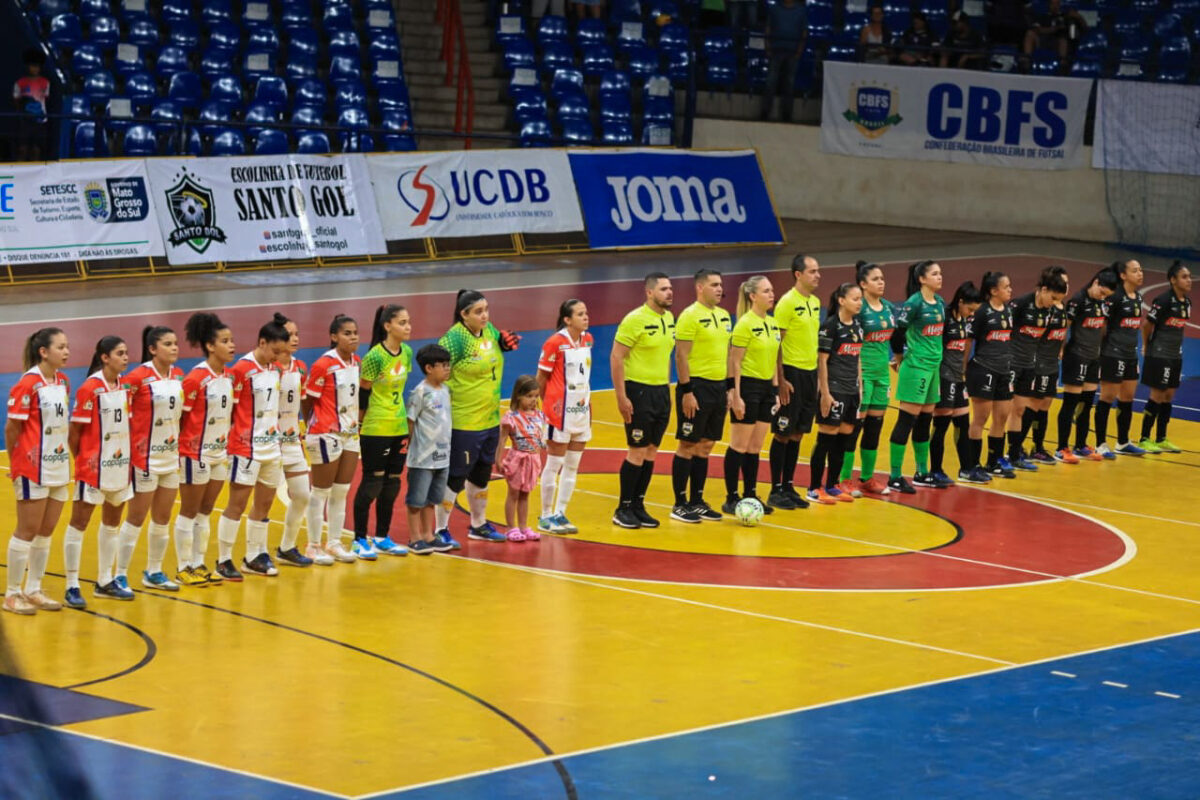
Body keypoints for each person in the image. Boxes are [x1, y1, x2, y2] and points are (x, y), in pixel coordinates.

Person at [438, 289, 520, 543]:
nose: (485, 316)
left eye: (486, 310)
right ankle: (440, 529)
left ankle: (478, 524)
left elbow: (495, 348)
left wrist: (504, 344)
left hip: (489, 418)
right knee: (456, 475)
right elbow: (437, 371)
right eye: (478, 312)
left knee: (482, 473)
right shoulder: (454, 339)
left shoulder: (489, 330)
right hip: (464, 420)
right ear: (464, 315)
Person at [5, 328, 70, 615]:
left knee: (46, 531)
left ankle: (33, 588)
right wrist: (17, 462)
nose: (66, 351)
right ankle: (11, 594)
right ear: (43, 351)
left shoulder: (63, 382)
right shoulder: (28, 384)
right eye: (61, 347)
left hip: (59, 465)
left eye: (67, 346)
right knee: (27, 531)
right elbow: (12, 428)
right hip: (34, 467)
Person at [219, 318, 289, 580]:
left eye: (284, 352)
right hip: (246, 448)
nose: (281, 357)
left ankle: (253, 556)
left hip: (271, 446)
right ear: (262, 343)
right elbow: (230, 410)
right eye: (276, 350)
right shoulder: (241, 370)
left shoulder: (276, 370)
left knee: (265, 503)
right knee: (236, 504)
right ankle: (224, 559)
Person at [66, 336, 132, 606]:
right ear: (105, 357)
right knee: (78, 524)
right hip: (93, 470)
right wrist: (83, 462)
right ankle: (71, 584)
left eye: (127, 352)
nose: (126, 357)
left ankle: (105, 580)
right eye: (120, 353)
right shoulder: (90, 389)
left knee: (111, 525)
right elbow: (74, 433)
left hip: (119, 467)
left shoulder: (125, 386)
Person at [122, 326, 185, 592]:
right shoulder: (137, 378)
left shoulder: (179, 375)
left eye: (176, 343)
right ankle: (119, 574)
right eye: (168, 344)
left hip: (170, 457)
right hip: (144, 459)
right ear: (152, 349)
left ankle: (154, 571)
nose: (174, 348)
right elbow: (120, 415)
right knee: (136, 518)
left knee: (163, 517)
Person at [611, 273, 675, 529]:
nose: (670, 292)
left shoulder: (670, 319)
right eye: (663, 289)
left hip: (661, 391)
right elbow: (616, 357)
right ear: (649, 292)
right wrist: (621, 396)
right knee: (636, 451)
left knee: (651, 451)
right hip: (638, 392)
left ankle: (638, 504)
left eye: (670, 288)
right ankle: (623, 507)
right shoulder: (634, 319)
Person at [176, 313, 236, 587]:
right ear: (210, 346)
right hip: (195, 454)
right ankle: (182, 566)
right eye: (225, 341)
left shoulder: (229, 378)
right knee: (189, 511)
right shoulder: (196, 378)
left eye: (232, 340)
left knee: (206, 510)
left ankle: (198, 562)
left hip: (219, 454)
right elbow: (181, 418)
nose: (232, 345)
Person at [352, 304, 413, 555]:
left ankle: (382, 536)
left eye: (409, 322)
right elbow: (363, 392)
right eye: (402, 322)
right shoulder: (374, 357)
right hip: (376, 428)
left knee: (392, 484)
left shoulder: (407, 352)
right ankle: (359, 539)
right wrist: (360, 423)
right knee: (372, 483)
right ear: (387, 326)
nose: (408, 327)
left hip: (398, 426)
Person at [304, 315, 365, 564]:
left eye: (355, 333)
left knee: (342, 491)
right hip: (325, 433)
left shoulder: (356, 362)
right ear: (333, 337)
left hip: (350, 433)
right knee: (320, 491)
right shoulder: (323, 364)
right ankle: (313, 545)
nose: (353, 337)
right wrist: (316, 425)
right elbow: (308, 399)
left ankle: (335, 543)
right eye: (347, 333)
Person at [671, 270, 731, 523]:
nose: (719, 289)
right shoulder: (689, 316)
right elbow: (680, 356)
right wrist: (687, 391)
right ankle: (680, 503)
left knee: (706, 446)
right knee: (688, 444)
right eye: (714, 285)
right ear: (699, 287)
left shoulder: (725, 316)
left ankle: (697, 499)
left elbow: (727, 353)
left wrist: (730, 388)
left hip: (718, 388)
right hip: (696, 386)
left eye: (721, 285)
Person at [724, 276, 781, 515]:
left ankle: (749, 493)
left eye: (771, 290)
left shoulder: (773, 323)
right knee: (739, 444)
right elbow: (733, 361)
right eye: (766, 291)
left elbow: (775, 360)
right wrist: (735, 395)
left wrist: (776, 391)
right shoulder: (745, 324)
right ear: (753, 296)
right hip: (747, 387)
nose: (771, 294)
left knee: (755, 446)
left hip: (766, 388)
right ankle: (731, 496)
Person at [888, 260, 947, 492]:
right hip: (917, 366)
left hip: (933, 367)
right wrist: (901, 360)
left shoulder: (940, 302)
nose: (940, 277)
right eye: (934, 273)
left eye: (940, 273)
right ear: (922, 279)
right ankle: (894, 476)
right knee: (907, 420)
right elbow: (897, 334)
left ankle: (922, 472)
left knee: (925, 420)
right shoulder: (914, 303)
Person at [768, 254, 821, 510]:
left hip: (809, 374)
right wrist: (780, 379)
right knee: (782, 432)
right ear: (798, 274)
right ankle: (775, 489)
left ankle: (788, 486)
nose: (817, 275)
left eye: (818, 271)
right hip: (791, 372)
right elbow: (776, 343)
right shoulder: (787, 303)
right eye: (812, 271)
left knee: (798, 432)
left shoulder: (815, 302)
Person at [537, 298, 593, 534]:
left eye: (586, 313)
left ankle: (560, 513)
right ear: (567, 319)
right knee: (555, 463)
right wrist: (542, 409)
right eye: (580, 314)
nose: (586, 317)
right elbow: (540, 379)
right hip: (559, 412)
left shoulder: (588, 339)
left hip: (581, 409)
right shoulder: (554, 343)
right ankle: (545, 515)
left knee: (573, 465)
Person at [839, 261, 895, 496]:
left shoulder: (888, 307)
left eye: (882, 278)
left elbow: (896, 336)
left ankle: (867, 478)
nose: (881, 282)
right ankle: (843, 479)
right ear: (862, 284)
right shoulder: (858, 310)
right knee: (854, 427)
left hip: (882, 375)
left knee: (874, 427)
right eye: (875, 279)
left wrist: (897, 358)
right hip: (862, 375)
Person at [1005, 267, 1068, 470]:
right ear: (1043, 289)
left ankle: (1015, 454)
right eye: (1054, 297)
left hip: (1029, 365)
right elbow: (1002, 327)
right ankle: (999, 456)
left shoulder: (1049, 311)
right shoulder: (1021, 304)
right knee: (1002, 412)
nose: (1056, 302)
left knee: (1020, 410)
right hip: (1012, 363)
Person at [1055, 267, 1118, 462]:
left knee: (1087, 402)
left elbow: (1101, 327)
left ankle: (1081, 444)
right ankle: (1062, 448)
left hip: (1093, 358)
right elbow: (1065, 325)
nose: (1103, 297)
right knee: (1070, 403)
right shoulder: (1078, 300)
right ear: (1096, 282)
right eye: (1102, 292)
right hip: (1076, 356)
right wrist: (1061, 348)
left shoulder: (1102, 303)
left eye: (1106, 296)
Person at [809, 283, 864, 504]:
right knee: (826, 439)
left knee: (843, 440)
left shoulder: (858, 327)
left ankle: (832, 485)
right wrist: (825, 393)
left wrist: (860, 387)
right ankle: (814, 487)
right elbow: (821, 361)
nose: (859, 303)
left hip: (851, 391)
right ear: (841, 301)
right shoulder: (830, 326)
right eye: (855, 299)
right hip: (835, 390)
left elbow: (857, 357)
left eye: (860, 299)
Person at [274, 313, 319, 566]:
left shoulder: (300, 367)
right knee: (262, 501)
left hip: (292, 442)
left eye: (297, 334)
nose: (294, 339)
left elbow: (304, 403)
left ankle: (286, 547)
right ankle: (253, 553)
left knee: (302, 495)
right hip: (266, 443)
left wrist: (309, 428)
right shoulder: (265, 368)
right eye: (288, 335)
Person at [962, 271, 1015, 483]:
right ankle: (972, 465)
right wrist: (963, 368)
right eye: (1006, 286)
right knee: (980, 418)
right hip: (983, 370)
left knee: (1001, 417)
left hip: (1004, 371)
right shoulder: (982, 312)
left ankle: (994, 462)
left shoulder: (1008, 311)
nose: (1010, 289)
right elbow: (968, 341)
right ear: (994, 291)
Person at [929, 282, 982, 484]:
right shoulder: (943, 318)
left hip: (958, 378)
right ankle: (935, 470)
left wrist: (962, 373)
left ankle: (967, 469)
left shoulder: (964, 320)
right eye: (969, 309)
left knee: (962, 422)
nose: (970, 314)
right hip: (943, 377)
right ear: (960, 302)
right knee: (941, 424)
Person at [405, 344, 454, 555]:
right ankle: (415, 537)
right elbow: (410, 421)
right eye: (442, 365)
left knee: (431, 500)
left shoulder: (445, 390)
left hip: (442, 456)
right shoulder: (420, 392)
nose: (447, 369)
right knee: (416, 500)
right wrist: (410, 448)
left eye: (447, 365)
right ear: (428, 368)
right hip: (422, 457)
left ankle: (428, 535)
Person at [1095, 259, 1146, 457]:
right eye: (1135, 270)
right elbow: (1102, 325)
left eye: (1141, 270)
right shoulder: (1114, 297)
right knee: (1107, 397)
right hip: (1112, 354)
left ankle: (1123, 442)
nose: (1140, 273)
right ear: (1123, 276)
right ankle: (1100, 443)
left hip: (1130, 354)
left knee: (1128, 398)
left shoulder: (1138, 298)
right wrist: (1100, 351)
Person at [1139, 261, 1191, 454]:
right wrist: (1147, 346)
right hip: (1159, 354)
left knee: (1169, 396)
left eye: (1189, 276)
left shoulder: (1186, 303)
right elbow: (1146, 325)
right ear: (1173, 280)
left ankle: (1161, 438)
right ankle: (1144, 438)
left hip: (1175, 355)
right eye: (1184, 277)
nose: (1189, 280)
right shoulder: (1163, 300)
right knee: (1157, 395)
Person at [1022, 266, 1070, 465]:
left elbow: (1063, 329)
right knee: (1033, 404)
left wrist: (1060, 348)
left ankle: (1038, 447)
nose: (1065, 287)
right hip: (1039, 362)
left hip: (1052, 363)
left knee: (1045, 405)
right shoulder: (1045, 309)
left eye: (1067, 283)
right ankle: (1016, 446)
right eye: (1061, 283)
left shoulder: (1060, 308)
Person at [495, 376, 546, 542]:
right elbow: (502, 440)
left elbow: (542, 437)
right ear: (518, 396)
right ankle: (511, 527)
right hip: (517, 459)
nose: (533, 400)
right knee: (513, 494)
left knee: (526, 494)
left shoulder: (539, 415)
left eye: (536, 396)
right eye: (529, 396)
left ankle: (523, 526)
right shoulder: (511, 417)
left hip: (533, 459)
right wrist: (498, 459)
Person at [761, 0, 806, 123]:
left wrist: (798, 52)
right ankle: (765, 112)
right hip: (776, 51)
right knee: (770, 82)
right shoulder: (774, 8)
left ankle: (787, 114)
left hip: (792, 53)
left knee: (789, 85)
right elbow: (768, 28)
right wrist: (768, 47)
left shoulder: (801, 11)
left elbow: (804, 33)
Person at [12, 48, 49, 161]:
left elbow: (45, 99)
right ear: (28, 66)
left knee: (36, 149)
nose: (35, 69)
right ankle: (19, 173)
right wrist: (22, 113)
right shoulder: (20, 83)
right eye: (33, 65)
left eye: (37, 66)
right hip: (25, 121)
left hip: (40, 120)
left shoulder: (45, 82)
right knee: (23, 148)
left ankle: (35, 176)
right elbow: (16, 99)